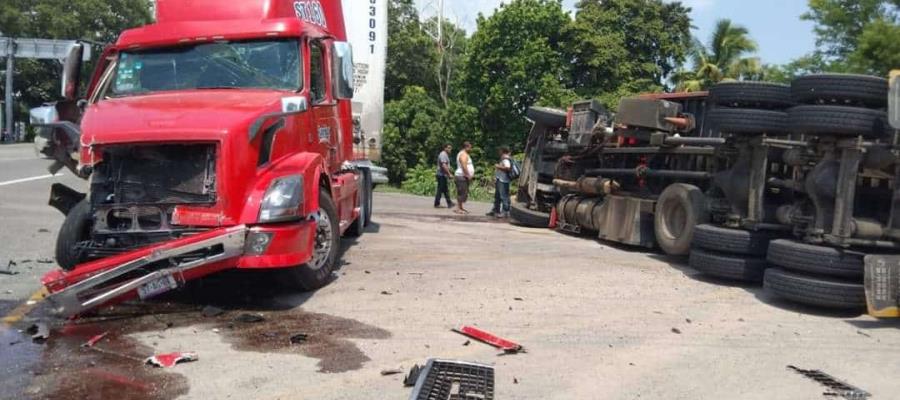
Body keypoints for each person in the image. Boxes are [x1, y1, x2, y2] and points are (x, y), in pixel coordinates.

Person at [487, 147, 512, 218]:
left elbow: (508, 168)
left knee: (504, 196)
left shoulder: (506, 159)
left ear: (502, 151)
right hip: (500, 179)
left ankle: (505, 211)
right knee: (497, 196)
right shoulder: (503, 158)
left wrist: (498, 166)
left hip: (503, 180)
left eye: (499, 151)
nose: (498, 152)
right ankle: (496, 210)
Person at [454, 141, 475, 214]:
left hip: (463, 176)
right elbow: (464, 165)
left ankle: (461, 207)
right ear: (466, 147)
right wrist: (468, 175)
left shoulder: (465, 154)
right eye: (470, 147)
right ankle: (458, 208)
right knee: (462, 192)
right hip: (461, 176)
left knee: (463, 192)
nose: (471, 149)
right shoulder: (463, 154)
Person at [434, 144, 455, 208]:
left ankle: (449, 203)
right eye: (449, 148)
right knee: (440, 190)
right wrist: (449, 174)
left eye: (450, 148)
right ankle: (437, 204)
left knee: (445, 190)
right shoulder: (443, 154)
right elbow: (444, 165)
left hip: (443, 175)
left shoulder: (445, 154)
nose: (450, 149)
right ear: (445, 148)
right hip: (441, 175)